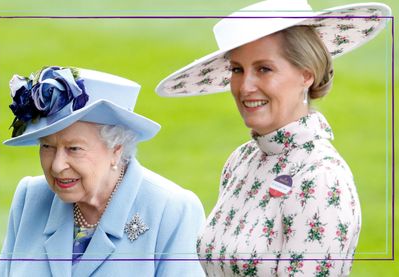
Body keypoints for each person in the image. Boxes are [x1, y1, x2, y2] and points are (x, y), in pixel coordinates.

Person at [156, 0, 391, 276]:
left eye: (264, 69)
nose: (245, 87)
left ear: (306, 74)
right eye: (237, 70)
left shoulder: (321, 178)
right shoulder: (241, 160)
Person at [0, 66, 206, 276]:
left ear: (116, 149)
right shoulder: (30, 197)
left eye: (74, 149)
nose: (57, 166)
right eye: (47, 146)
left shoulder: (172, 211)